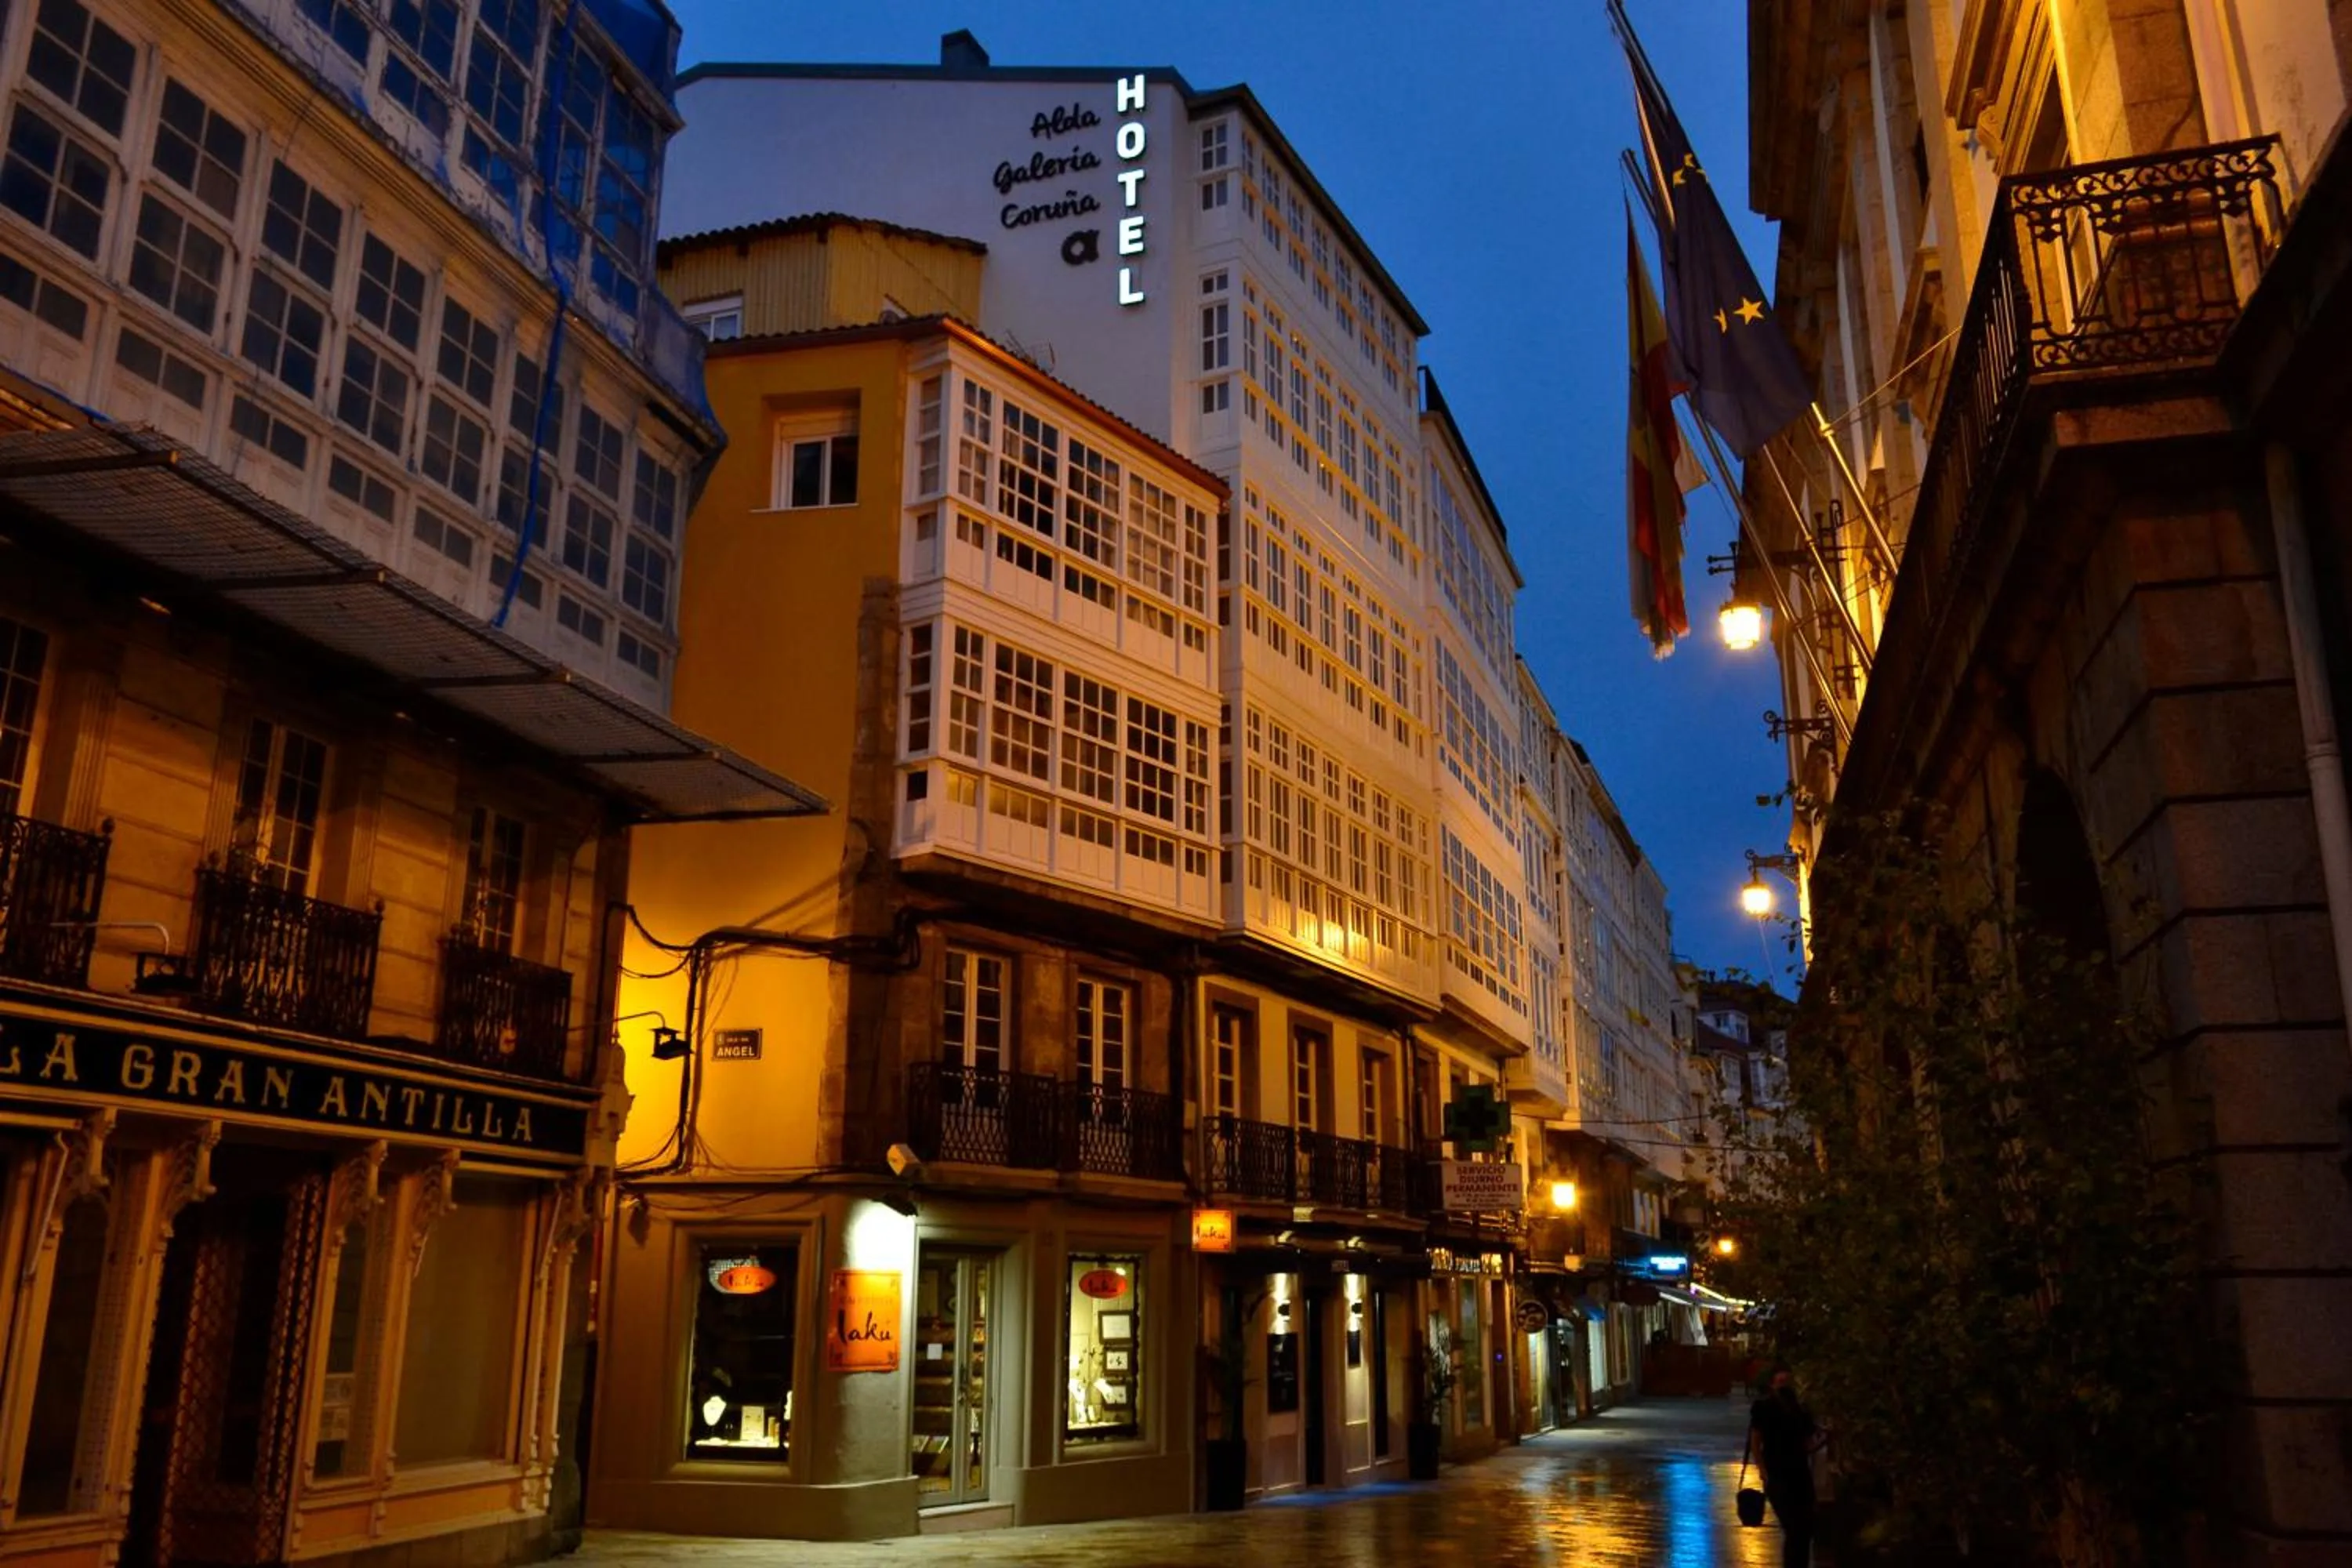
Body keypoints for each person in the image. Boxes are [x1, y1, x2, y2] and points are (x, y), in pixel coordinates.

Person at [1748, 1370, 1824, 1566]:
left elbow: (1806, 1445)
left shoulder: (1800, 1411)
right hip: (1780, 1474)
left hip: (1797, 1474)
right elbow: (1755, 1441)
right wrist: (1763, 1470)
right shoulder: (1765, 1408)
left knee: (1801, 1529)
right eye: (1781, 1381)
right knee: (1796, 1528)